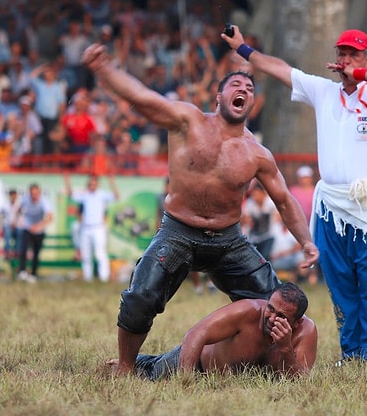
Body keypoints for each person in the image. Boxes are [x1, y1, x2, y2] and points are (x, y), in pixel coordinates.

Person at [81, 44, 318, 375]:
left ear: (252, 104)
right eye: (236, 85)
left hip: (229, 239)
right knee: (141, 294)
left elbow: (284, 199)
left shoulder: (257, 153)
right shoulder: (186, 121)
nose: (244, 90)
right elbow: (143, 98)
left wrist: (306, 241)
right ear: (218, 97)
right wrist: (105, 69)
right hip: (178, 230)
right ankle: (125, 366)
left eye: (249, 89)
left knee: (274, 304)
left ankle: (262, 365)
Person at [221, 26, 367, 361]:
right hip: (331, 205)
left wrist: (361, 74)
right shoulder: (323, 91)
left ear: (366, 58)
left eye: (353, 54)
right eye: (342, 53)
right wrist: (244, 49)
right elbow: (278, 69)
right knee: (340, 284)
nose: (345, 59)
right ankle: (351, 353)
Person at [109, 282, 317, 380]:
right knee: (149, 373)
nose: (271, 318)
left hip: (232, 384)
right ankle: (125, 364)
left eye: (281, 316)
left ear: (296, 323)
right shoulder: (249, 310)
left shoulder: (305, 332)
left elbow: (299, 382)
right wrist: (186, 381)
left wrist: (285, 349)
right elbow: (195, 335)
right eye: (270, 308)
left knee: (149, 366)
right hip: (196, 363)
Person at [63, 172, 118, 282]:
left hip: (98, 228)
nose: (92, 185)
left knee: (100, 253)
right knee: (86, 255)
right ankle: (88, 278)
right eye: (90, 184)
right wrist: (67, 181)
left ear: (97, 184)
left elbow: (116, 196)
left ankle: (104, 277)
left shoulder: (102, 194)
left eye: (94, 183)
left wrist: (112, 182)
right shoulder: (85, 195)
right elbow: (71, 194)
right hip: (86, 228)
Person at [16, 183, 53, 283]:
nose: (34, 196)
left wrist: (38, 226)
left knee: (36, 254)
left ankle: (33, 274)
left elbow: (50, 217)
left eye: (36, 194)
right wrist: (17, 221)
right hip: (27, 228)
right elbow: (18, 210)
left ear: (39, 193)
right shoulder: (25, 199)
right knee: (23, 249)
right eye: (32, 194)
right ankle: (22, 272)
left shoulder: (44, 202)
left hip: (39, 230)